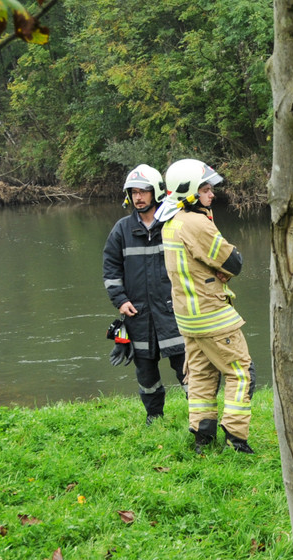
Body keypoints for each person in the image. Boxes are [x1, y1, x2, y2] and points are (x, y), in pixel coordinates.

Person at [158, 158, 255, 454]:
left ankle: (203, 437)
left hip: (188, 319)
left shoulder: (171, 221)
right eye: (205, 189)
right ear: (189, 192)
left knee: (201, 375)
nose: (212, 194)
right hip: (213, 315)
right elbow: (233, 262)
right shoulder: (196, 223)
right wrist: (224, 268)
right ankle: (236, 438)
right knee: (242, 373)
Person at [102, 164, 186, 426]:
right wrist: (121, 300)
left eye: (143, 192)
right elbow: (110, 269)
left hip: (174, 312)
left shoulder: (174, 223)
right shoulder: (122, 230)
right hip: (137, 314)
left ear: (157, 192)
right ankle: (154, 417)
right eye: (134, 192)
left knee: (187, 367)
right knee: (146, 373)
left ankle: (201, 418)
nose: (138, 197)